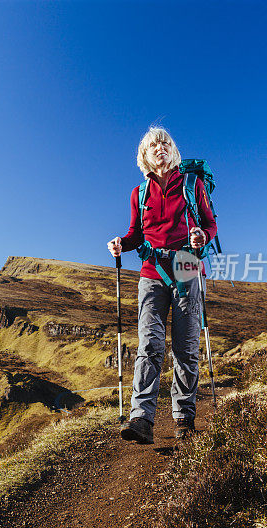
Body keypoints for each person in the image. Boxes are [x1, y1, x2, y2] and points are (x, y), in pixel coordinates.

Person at [107, 126, 216, 443]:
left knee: (185, 347)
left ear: (173, 151)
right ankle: (141, 418)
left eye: (165, 142)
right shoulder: (138, 194)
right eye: (153, 144)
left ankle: (184, 419)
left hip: (187, 266)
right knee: (150, 342)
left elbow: (209, 223)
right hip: (151, 271)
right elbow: (134, 234)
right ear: (145, 155)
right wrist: (121, 244)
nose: (160, 147)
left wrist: (201, 236)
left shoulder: (192, 185)